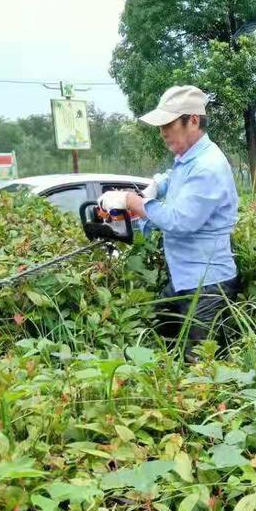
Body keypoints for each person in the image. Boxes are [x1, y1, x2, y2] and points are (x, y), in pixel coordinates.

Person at [100, 85, 239, 361]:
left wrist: (132, 201)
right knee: (163, 339)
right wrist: (156, 187)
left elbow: (180, 220)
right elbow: (174, 178)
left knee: (200, 366)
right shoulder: (189, 159)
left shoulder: (208, 166)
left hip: (207, 285)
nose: (163, 132)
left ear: (193, 121)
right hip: (185, 279)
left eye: (169, 123)